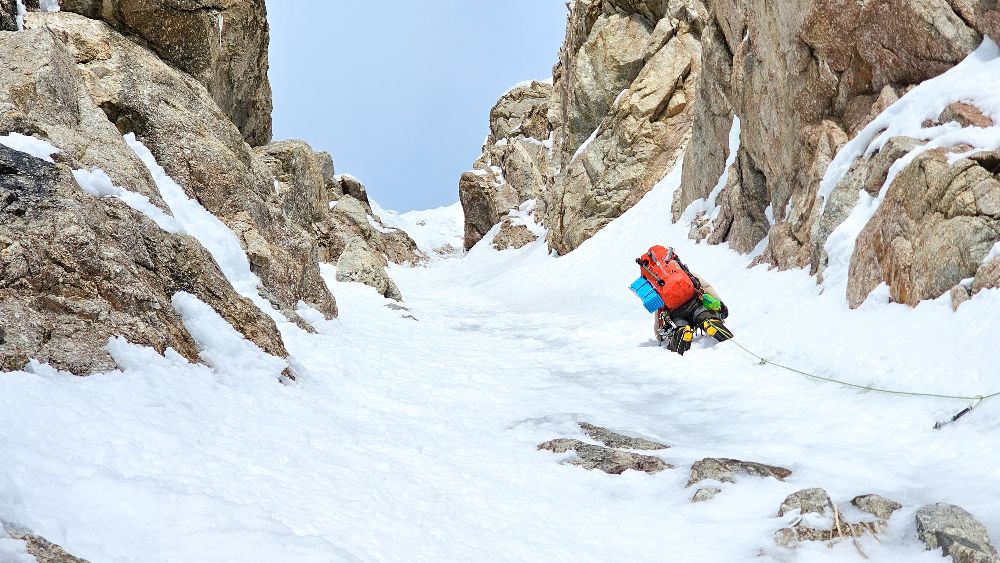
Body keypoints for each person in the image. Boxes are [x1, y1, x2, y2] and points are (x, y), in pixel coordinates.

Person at [633, 244, 733, 355]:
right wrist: (721, 305)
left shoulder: (658, 286)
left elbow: (659, 313)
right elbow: (706, 286)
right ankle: (709, 322)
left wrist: (659, 335)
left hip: (675, 314)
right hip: (695, 304)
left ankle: (682, 330)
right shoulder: (684, 273)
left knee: (679, 326)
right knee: (705, 316)